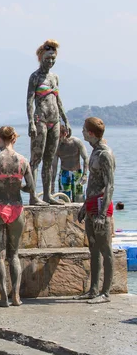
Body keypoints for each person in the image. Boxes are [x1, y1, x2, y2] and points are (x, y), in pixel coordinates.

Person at [0, 126, 35, 307]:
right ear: (14, 139)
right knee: (14, 255)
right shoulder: (23, 160)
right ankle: (16, 297)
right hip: (16, 208)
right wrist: (17, 186)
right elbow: (31, 187)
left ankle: (3, 298)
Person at [76, 117, 116, 304]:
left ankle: (105, 293)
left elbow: (109, 186)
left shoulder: (105, 155)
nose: (82, 132)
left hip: (101, 205)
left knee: (105, 249)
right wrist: (85, 206)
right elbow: (93, 182)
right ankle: (93, 289)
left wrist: (101, 214)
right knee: (93, 248)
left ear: (90, 132)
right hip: (91, 203)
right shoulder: (94, 152)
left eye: (84, 130)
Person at [26, 39, 71, 205]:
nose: (50, 62)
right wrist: (31, 122)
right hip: (41, 120)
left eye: (53, 58)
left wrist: (66, 120)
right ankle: (32, 195)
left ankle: (47, 194)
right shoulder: (35, 77)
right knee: (36, 159)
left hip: (55, 121)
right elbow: (29, 100)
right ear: (40, 58)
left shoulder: (55, 78)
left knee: (50, 159)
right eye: (47, 58)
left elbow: (58, 100)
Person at [52, 124, 88, 202]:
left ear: (65, 134)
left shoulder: (76, 142)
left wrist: (85, 174)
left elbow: (85, 158)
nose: (58, 139)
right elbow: (54, 166)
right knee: (64, 198)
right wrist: (52, 183)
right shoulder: (57, 147)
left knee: (79, 198)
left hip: (77, 173)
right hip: (64, 173)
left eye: (59, 137)